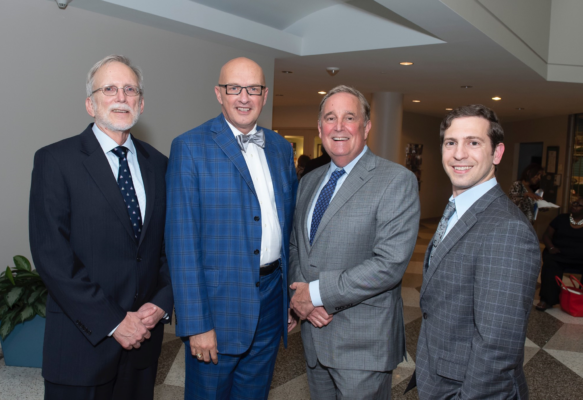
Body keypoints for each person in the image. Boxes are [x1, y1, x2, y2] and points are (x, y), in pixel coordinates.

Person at [29, 55, 173, 400]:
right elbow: (53, 256)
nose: (121, 97)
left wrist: (161, 303)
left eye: (129, 89)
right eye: (109, 89)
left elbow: (170, 246)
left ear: (141, 102)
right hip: (82, 344)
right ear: (90, 104)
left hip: (143, 343)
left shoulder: (161, 165)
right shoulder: (55, 161)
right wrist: (114, 322)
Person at [165, 57, 298, 400]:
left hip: (271, 298)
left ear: (264, 95)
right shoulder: (190, 147)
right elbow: (181, 244)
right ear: (218, 94)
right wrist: (197, 324)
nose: (243, 97)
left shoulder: (281, 149)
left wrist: (288, 299)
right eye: (233, 88)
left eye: (252, 89)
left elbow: (289, 229)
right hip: (218, 306)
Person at [288, 85, 420, 399]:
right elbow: (296, 246)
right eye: (330, 118)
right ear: (320, 128)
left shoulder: (396, 180)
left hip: (363, 345)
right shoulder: (308, 182)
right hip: (314, 337)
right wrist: (299, 295)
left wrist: (316, 294)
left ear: (366, 126)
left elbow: (388, 265)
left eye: (350, 117)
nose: (339, 126)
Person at [408, 104, 541, 399]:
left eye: (474, 142)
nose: (459, 154)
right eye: (451, 143)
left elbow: (497, 347)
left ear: (497, 153)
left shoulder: (507, 230)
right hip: (440, 376)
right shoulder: (459, 207)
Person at [536, 198, 583, 311]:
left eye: (578, 205)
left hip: (580, 258)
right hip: (559, 255)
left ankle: (580, 300)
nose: (574, 205)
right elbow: (546, 235)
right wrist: (551, 247)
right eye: (574, 203)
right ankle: (547, 300)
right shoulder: (561, 218)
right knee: (551, 264)